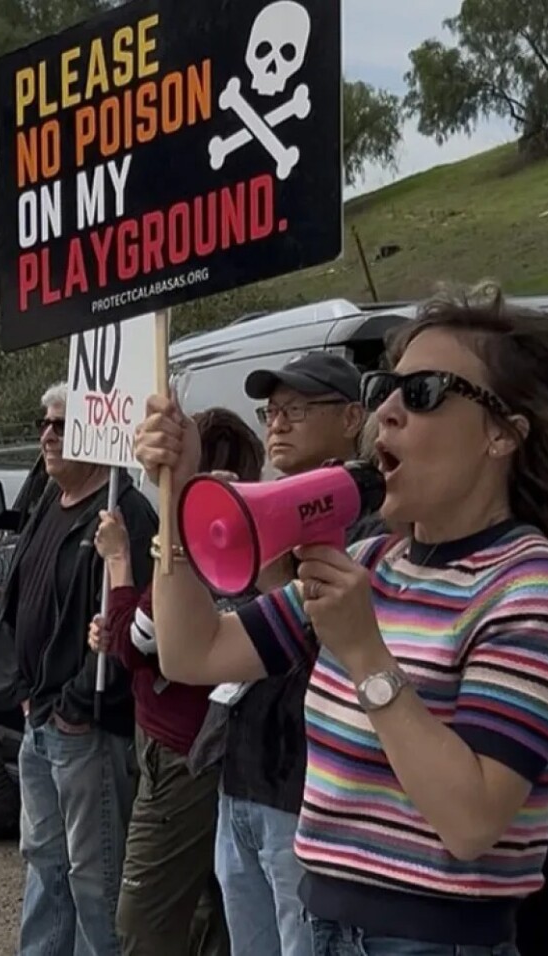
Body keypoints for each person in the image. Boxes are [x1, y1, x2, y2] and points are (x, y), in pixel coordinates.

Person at [134, 287, 548, 954]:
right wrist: (175, 497)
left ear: (503, 433)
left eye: (424, 392)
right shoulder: (374, 561)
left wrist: (365, 655)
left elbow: (471, 821)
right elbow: (193, 653)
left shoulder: (534, 591)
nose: (385, 411)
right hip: (325, 923)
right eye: (388, 386)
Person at [192, 352, 376, 956]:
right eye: (271, 411)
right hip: (245, 773)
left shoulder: (373, 520)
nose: (278, 424)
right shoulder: (268, 501)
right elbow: (237, 628)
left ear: (352, 417)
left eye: (297, 409)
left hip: (305, 789)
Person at [0, 384, 156, 956]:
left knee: (94, 880)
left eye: (61, 426)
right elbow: (21, 596)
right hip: (40, 719)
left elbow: (134, 624)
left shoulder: (126, 516)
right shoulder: (50, 498)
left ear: (97, 434)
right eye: (44, 423)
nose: (46, 435)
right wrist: (25, 692)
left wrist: (76, 706)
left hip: (88, 727)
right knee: (43, 866)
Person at [89, 408, 264, 956]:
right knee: (215, 906)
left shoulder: (205, 546)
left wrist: (119, 564)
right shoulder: (252, 539)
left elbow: (138, 645)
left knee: (145, 917)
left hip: (183, 749)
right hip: (204, 747)